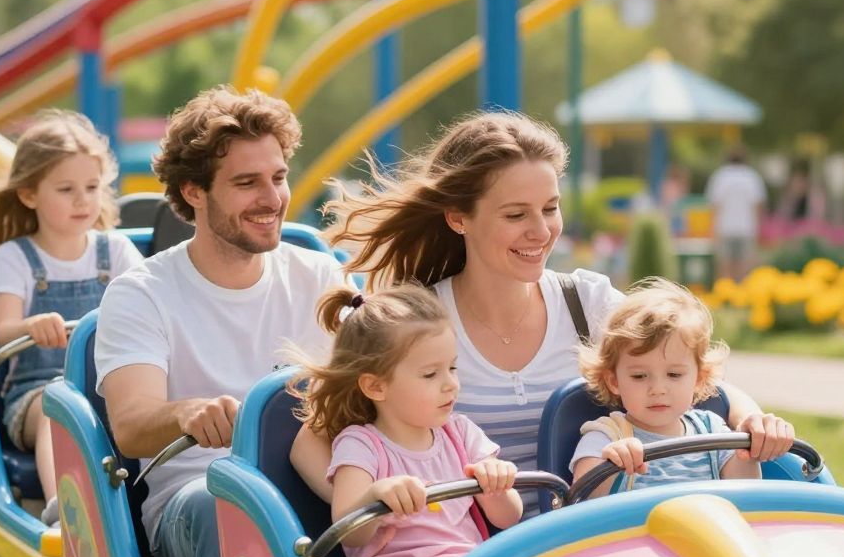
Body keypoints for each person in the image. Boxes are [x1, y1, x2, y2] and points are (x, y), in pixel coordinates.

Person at [293, 111, 793, 507]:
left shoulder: (589, 304)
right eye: (516, 215)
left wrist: (754, 419)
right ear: (457, 218)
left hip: (583, 549)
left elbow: (697, 379)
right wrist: (371, 507)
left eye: (550, 208)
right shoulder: (413, 321)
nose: (541, 231)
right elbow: (309, 441)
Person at [94, 86, 346, 557]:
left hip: (317, 477)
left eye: (277, 177)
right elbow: (132, 426)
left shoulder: (321, 278)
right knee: (230, 506)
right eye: (246, 182)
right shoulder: (141, 293)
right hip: (199, 496)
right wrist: (185, 413)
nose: (272, 197)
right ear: (194, 192)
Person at [292, 284, 522, 557]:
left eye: (452, 368)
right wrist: (376, 495)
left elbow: (508, 517)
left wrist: (496, 486)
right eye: (430, 375)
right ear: (376, 386)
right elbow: (349, 530)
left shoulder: (460, 433)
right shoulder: (361, 444)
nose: (450, 384)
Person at [0, 109, 143, 525]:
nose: (83, 200)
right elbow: (3, 330)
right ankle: (65, 513)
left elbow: (142, 315)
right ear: (29, 195)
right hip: (35, 393)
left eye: (92, 187)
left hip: (109, 387)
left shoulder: (115, 252)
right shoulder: (15, 258)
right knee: (57, 405)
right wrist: (31, 327)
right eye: (66, 189)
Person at [570, 279, 761, 498]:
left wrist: (751, 450)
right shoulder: (606, 436)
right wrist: (610, 468)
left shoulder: (711, 430)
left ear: (699, 378)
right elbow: (582, 496)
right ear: (614, 381)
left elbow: (747, 492)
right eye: (639, 376)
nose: (658, 389)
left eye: (674, 375)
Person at [706, 145, 766, 279]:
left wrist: (713, 229)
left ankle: (725, 294)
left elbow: (715, 205)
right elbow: (757, 206)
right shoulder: (751, 177)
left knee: (724, 268)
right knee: (744, 269)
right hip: (746, 228)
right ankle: (741, 296)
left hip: (724, 228)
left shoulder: (720, 176)